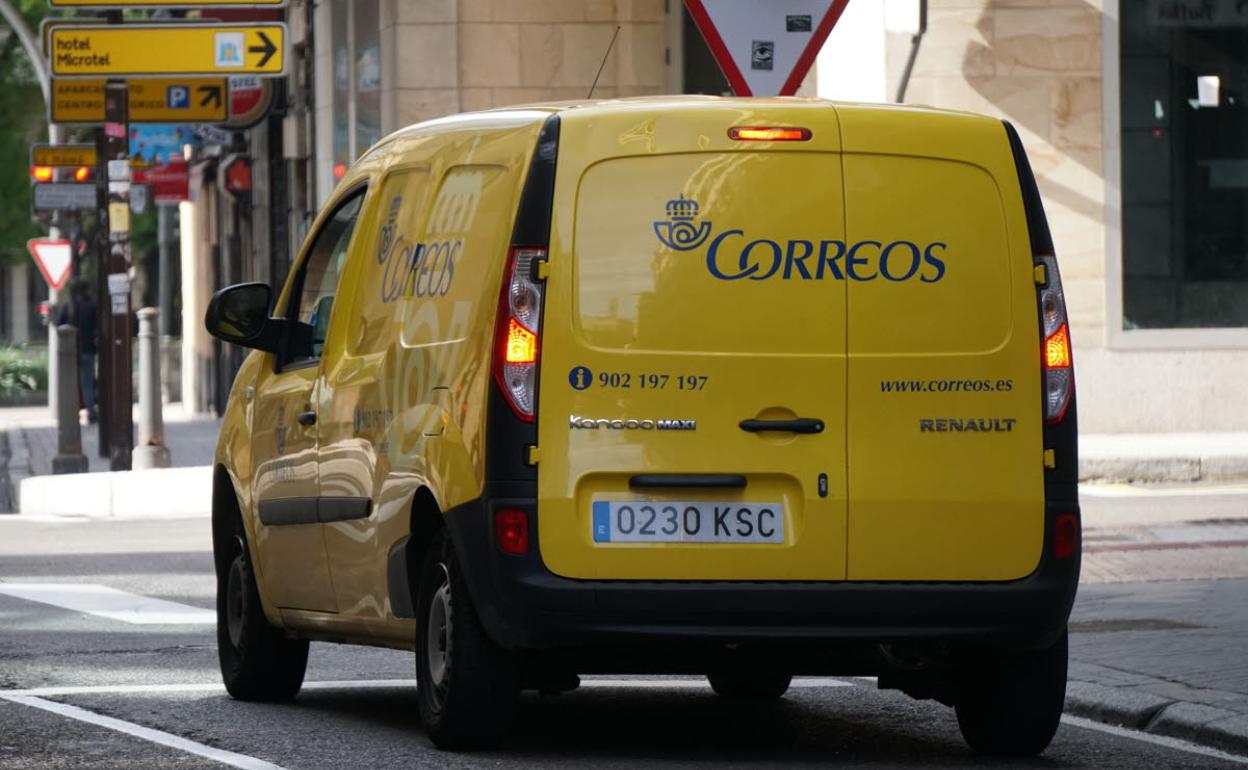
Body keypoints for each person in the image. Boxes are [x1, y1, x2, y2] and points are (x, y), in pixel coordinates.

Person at [55, 278, 98, 424]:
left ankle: (70, 413)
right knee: (87, 382)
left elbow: (59, 326)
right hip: (88, 349)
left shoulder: (68, 306)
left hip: (70, 351)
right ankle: (90, 412)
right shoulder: (91, 305)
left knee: (70, 383)